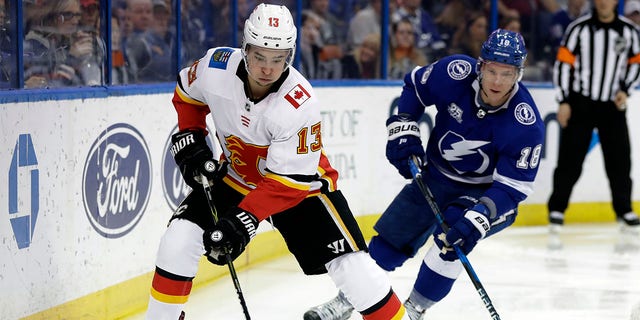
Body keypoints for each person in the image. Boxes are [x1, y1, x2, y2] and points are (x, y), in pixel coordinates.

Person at [144, 3, 409, 320]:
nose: (267, 69)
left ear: (290, 56)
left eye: (278, 59)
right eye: (259, 57)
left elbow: (288, 183)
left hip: (301, 187)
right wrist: (192, 137)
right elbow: (187, 93)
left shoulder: (299, 102)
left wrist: (244, 218)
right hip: (236, 178)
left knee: (353, 267)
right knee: (177, 241)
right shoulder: (216, 67)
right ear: (245, 48)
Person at [305, 29, 545, 320]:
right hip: (436, 176)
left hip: (484, 192)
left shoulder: (526, 123)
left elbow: (513, 187)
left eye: (507, 74)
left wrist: (481, 214)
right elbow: (415, 88)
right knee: (392, 238)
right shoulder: (454, 72)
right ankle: (346, 301)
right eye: (492, 70)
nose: (497, 81)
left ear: (518, 74)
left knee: (455, 236)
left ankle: (414, 310)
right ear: (480, 65)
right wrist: (403, 127)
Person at [548, 0, 640, 232]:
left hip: (613, 106)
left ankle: (624, 209)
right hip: (581, 104)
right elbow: (563, 65)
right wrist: (564, 101)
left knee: (620, 160)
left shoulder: (629, 31)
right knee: (570, 159)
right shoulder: (578, 29)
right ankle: (557, 209)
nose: (603, 2)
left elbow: (636, 63)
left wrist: (625, 90)